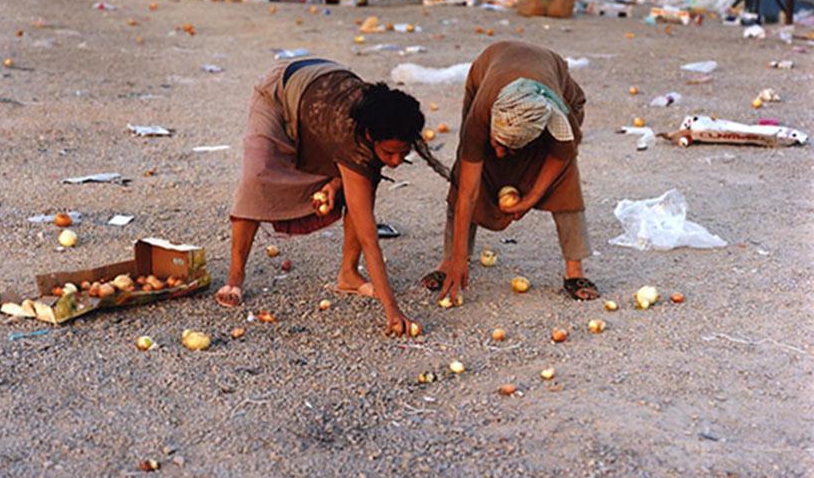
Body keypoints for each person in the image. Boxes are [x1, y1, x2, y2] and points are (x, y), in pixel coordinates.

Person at [217, 58, 449, 336]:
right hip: (280, 91)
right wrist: (392, 310)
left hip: (325, 96)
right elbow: (369, 236)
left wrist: (338, 182)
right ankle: (235, 275)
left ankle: (349, 275)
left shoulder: (379, 122)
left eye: (403, 152)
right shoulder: (351, 133)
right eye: (389, 153)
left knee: (362, 188)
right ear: (368, 136)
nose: (397, 161)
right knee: (256, 178)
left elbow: (358, 189)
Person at [422, 41, 599, 303]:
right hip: (492, 65)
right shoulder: (481, 115)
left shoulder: (558, 117)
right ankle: (447, 261)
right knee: (467, 177)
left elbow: (562, 156)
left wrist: (530, 198)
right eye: (499, 144)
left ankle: (575, 272)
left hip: (550, 83)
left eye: (510, 148)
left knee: (565, 182)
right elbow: (468, 193)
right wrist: (460, 258)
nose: (501, 153)